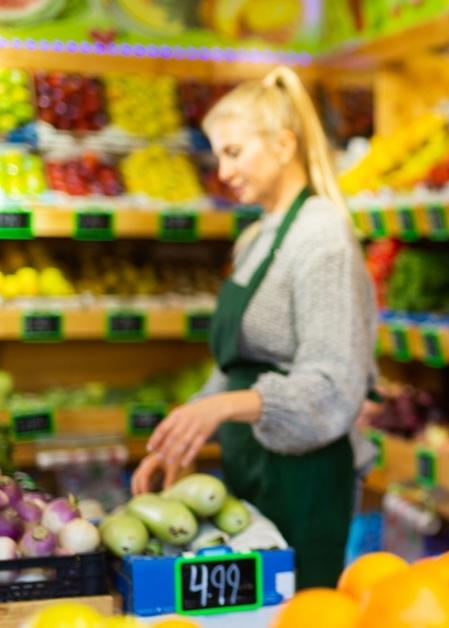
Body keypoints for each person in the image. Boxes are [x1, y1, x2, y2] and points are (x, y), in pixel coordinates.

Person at [130, 67, 378, 588]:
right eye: (218, 154)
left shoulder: (323, 235)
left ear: (284, 145)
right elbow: (238, 365)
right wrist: (183, 431)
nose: (223, 171)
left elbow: (334, 387)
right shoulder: (257, 239)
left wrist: (221, 409)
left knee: (302, 613)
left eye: (234, 153)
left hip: (306, 476)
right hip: (254, 465)